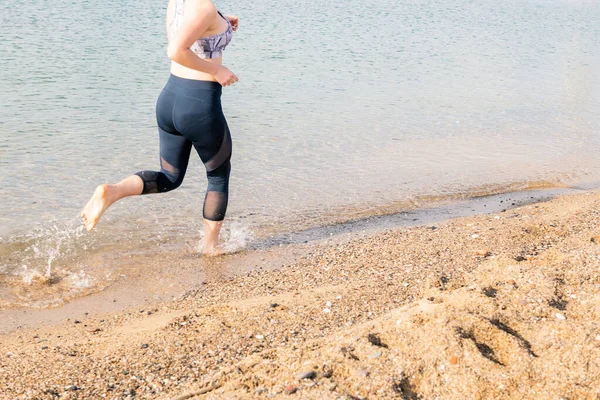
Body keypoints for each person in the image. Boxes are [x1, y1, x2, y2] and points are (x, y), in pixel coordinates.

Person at [81, 0, 239, 255]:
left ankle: (113, 191)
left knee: (170, 178)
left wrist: (223, 26)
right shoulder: (205, 8)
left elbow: (193, 33)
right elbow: (176, 50)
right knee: (218, 175)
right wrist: (217, 70)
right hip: (199, 104)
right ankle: (210, 247)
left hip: (170, 100)